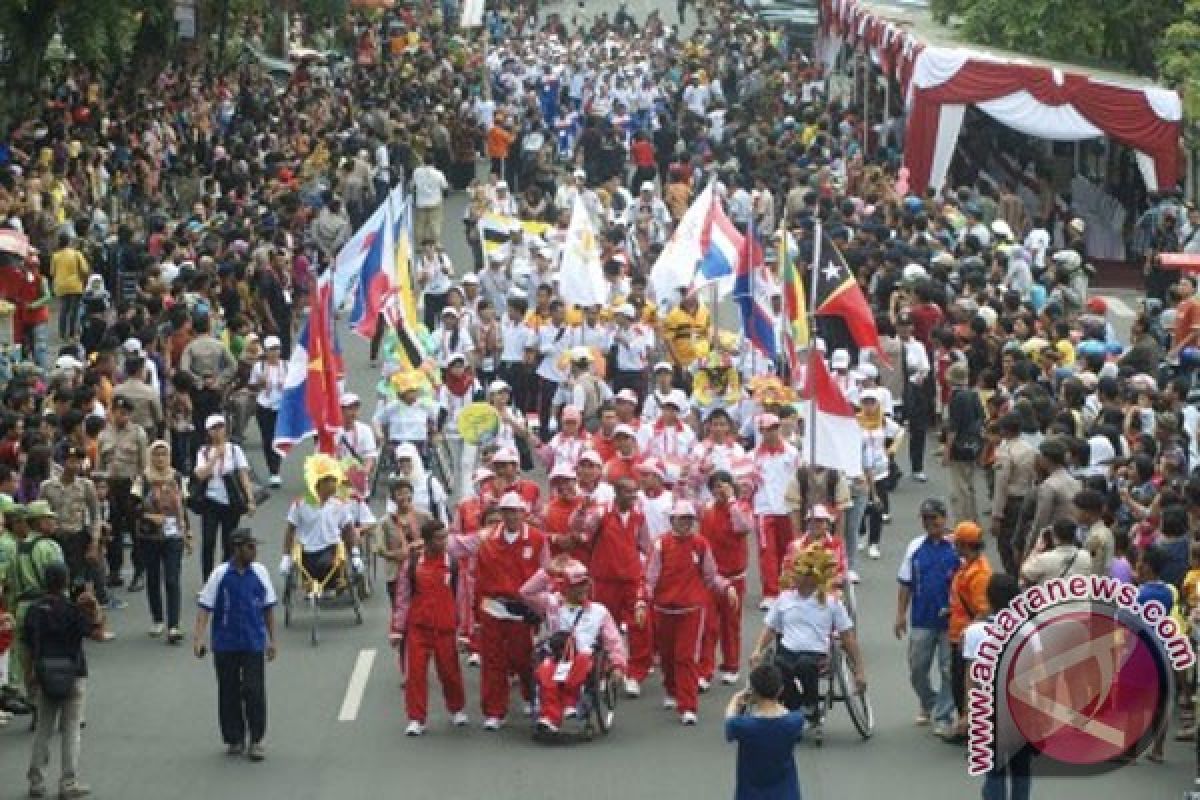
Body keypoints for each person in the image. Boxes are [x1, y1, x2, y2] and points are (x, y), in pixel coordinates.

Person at [750, 544, 866, 737]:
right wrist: (757, 650)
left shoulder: (830, 602)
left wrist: (859, 670)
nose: (793, 575)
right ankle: (795, 707)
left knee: (805, 665)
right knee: (779, 666)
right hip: (787, 650)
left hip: (816, 654)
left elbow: (847, 637)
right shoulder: (785, 598)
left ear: (812, 577)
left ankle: (811, 705)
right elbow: (770, 628)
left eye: (799, 572)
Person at [640, 499, 738, 725]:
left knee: (686, 657)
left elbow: (711, 577)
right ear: (672, 520)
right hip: (664, 609)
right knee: (666, 656)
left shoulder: (701, 545)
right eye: (681, 519)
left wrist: (727, 587)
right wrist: (642, 602)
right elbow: (650, 579)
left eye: (689, 520)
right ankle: (671, 691)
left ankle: (688, 705)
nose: (685, 524)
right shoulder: (660, 545)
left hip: (691, 610)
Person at [193, 529, 277, 761]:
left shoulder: (260, 572)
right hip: (225, 643)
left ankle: (256, 739)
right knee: (228, 691)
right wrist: (198, 639)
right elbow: (205, 608)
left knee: (254, 690)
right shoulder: (220, 574)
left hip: (252, 642)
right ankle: (234, 737)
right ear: (237, 549)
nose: (254, 551)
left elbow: (268, 608)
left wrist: (272, 640)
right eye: (250, 547)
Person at [22, 561, 100, 800]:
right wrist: (94, 605)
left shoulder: (34, 610)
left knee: (43, 729)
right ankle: (68, 782)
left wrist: (30, 676)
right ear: (65, 581)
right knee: (71, 729)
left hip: (45, 673)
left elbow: (27, 647)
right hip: (73, 673)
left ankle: (36, 780)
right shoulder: (72, 609)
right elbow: (95, 632)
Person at [520, 558, 626, 733]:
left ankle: (572, 703)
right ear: (565, 587)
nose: (582, 589)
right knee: (546, 670)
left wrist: (618, 665)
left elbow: (613, 642)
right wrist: (547, 573)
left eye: (584, 584)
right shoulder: (553, 605)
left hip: (585, 657)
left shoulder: (599, 611)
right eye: (577, 585)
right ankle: (550, 717)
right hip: (557, 656)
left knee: (583, 660)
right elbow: (525, 593)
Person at [390, 518, 468, 736]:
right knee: (415, 675)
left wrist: (464, 632)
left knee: (450, 672)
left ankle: (457, 709)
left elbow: (462, 598)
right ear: (427, 541)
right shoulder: (413, 564)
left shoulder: (452, 564)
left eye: (445, 537)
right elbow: (403, 598)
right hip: (418, 628)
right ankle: (416, 718)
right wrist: (397, 629)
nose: (444, 542)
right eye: (439, 538)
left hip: (445, 628)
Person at [895, 497, 960, 737]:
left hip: (951, 621)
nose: (930, 522)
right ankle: (928, 701)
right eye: (925, 518)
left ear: (944, 518)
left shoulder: (957, 545)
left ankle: (943, 714)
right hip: (922, 618)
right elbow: (905, 583)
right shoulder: (915, 547)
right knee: (917, 668)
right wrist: (900, 614)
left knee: (948, 669)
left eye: (934, 517)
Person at [132, 440, 190, 644]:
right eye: (156, 455)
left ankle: (174, 625)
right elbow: (133, 507)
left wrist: (187, 532)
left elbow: (183, 505)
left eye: (163, 454)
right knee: (153, 577)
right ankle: (157, 618)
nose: (160, 459)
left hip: (173, 535)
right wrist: (149, 516)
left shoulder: (177, 477)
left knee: (172, 579)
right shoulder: (143, 478)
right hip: (150, 536)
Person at [724, 664, 807, 800]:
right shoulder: (795, 721)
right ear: (780, 690)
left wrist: (735, 700)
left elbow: (729, 723)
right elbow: (791, 713)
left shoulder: (743, 725)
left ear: (753, 691)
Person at [192, 415, 255, 581]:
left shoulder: (235, 450)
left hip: (231, 502)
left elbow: (243, 475)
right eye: (214, 428)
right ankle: (208, 579)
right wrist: (214, 458)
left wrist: (250, 499)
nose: (218, 431)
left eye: (221, 427)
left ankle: (226, 577)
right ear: (208, 432)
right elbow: (200, 474)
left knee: (229, 542)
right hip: (211, 501)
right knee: (208, 542)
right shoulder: (203, 451)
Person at [945, 521, 991, 741]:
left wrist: (969, 634)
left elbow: (982, 610)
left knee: (965, 683)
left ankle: (969, 725)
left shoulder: (979, 573)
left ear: (964, 545)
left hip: (966, 637)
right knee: (958, 682)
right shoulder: (968, 567)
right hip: (958, 632)